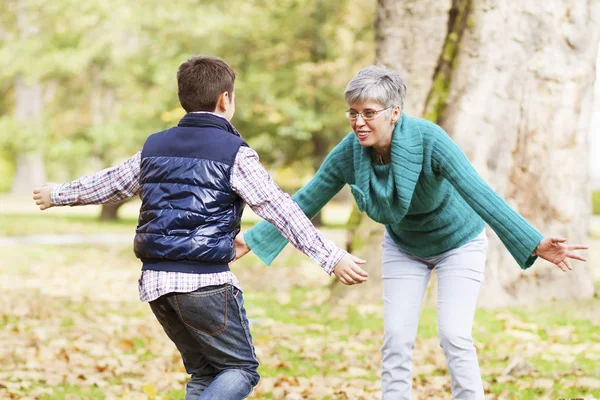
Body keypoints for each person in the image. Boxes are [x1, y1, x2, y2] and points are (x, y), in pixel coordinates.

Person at [237, 65, 589, 400]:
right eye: (353, 112)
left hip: (459, 243)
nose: (359, 122)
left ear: (395, 112)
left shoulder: (429, 139)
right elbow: (306, 199)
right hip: (405, 246)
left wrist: (533, 241)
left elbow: (479, 193)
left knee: (454, 335)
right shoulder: (350, 152)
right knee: (396, 338)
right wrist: (252, 239)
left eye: (369, 112)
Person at [32, 55, 369, 400]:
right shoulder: (233, 153)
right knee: (241, 370)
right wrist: (332, 258)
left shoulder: (154, 146)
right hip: (204, 284)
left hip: (156, 284)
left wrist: (56, 194)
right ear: (226, 99)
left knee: (205, 372)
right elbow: (281, 210)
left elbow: (110, 184)